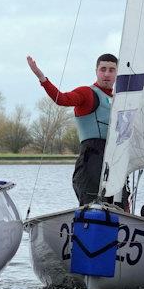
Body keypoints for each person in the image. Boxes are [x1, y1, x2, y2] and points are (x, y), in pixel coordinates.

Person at [27, 53, 117, 205]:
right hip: (91, 162)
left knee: (119, 207)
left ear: (117, 73)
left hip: (114, 162)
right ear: (96, 71)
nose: (107, 74)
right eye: (103, 69)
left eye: (111, 70)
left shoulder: (120, 99)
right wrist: (41, 77)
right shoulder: (87, 93)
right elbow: (61, 99)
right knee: (95, 206)